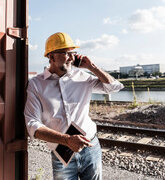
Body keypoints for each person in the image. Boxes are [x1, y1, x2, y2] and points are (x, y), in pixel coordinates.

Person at [24, 32, 124, 180]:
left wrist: (91, 66)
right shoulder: (36, 84)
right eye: (66, 53)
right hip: (61, 152)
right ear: (51, 57)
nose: (72, 58)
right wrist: (66, 140)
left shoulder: (83, 77)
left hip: (90, 147)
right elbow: (32, 125)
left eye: (73, 53)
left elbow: (114, 87)